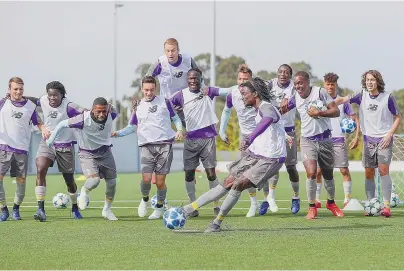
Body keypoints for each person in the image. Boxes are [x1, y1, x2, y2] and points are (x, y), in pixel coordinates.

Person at [182, 77, 286, 232]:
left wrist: (250, 137)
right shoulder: (257, 109)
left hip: (271, 159)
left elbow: (268, 119)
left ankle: (217, 223)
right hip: (255, 154)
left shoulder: (267, 107)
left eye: (245, 94)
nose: (242, 97)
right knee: (228, 181)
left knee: (238, 184)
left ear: (255, 94)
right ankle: (188, 208)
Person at [112, 76, 184, 219]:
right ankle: (144, 199)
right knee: (146, 179)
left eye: (151, 90)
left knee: (160, 182)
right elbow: (132, 127)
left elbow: (175, 118)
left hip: (165, 145)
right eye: (146, 90)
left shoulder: (164, 101)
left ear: (155, 89)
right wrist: (117, 133)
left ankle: (159, 208)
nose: (149, 93)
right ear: (142, 89)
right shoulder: (138, 105)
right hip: (146, 146)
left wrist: (180, 129)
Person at [335, 70, 401, 217]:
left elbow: (398, 117)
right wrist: (329, 103)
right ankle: (371, 204)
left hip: (384, 140)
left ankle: (386, 206)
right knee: (369, 173)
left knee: (384, 171)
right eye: (367, 80)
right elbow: (343, 100)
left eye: (372, 80)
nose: (369, 82)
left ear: (378, 81)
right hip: (368, 140)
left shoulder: (387, 97)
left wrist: (389, 134)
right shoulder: (361, 95)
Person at [46, 97, 119, 221]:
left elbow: (114, 111)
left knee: (112, 183)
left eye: (104, 111)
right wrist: (50, 140)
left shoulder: (111, 113)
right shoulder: (83, 119)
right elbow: (62, 124)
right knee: (94, 180)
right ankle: (84, 191)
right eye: (98, 111)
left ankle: (107, 210)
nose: (101, 114)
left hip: (105, 151)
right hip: (87, 153)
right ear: (92, 110)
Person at [24, 81, 86, 222]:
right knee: (40, 168)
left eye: (55, 95)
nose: (52, 98)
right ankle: (41, 209)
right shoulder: (44, 100)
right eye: (50, 95)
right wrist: (17, 96)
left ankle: (75, 207)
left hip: (65, 146)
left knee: (69, 180)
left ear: (62, 96)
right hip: (47, 142)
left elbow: (86, 113)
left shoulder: (69, 106)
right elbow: (32, 100)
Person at [169, 68, 228, 217]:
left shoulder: (208, 91)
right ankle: (192, 206)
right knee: (189, 174)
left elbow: (227, 91)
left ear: (201, 79)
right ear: (187, 80)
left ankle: (216, 205)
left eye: (196, 78)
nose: (193, 80)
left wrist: (242, 87)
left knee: (210, 174)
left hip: (208, 138)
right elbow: (165, 106)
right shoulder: (180, 95)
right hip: (190, 140)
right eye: (190, 78)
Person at [286, 71, 344, 219]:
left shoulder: (320, 92)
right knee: (311, 172)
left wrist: (320, 112)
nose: (298, 86)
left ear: (308, 82)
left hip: (325, 139)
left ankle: (331, 203)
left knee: (328, 174)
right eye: (296, 83)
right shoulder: (295, 98)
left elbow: (336, 111)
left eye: (301, 83)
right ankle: (312, 207)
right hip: (307, 140)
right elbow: (281, 112)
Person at [219, 64, 267, 217]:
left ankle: (268, 198)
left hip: (263, 135)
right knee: (245, 172)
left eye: (245, 79)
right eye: (239, 79)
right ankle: (254, 203)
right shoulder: (232, 94)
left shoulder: (257, 94)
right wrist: (221, 130)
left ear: (251, 80)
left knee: (266, 171)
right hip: (246, 138)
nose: (241, 82)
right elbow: (226, 111)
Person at [0, 77, 46, 221]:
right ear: (9, 89)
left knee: (21, 181)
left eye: (21, 89)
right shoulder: (2, 103)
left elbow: (38, 122)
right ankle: (4, 209)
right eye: (15, 89)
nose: (18, 92)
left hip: (21, 150)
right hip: (3, 147)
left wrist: (43, 128)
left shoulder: (30, 106)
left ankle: (15, 209)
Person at [315, 73, 359, 208]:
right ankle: (317, 199)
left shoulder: (343, 102)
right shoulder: (319, 101)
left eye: (332, 84)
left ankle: (347, 199)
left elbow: (354, 118)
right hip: (323, 139)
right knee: (318, 171)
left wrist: (356, 136)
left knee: (344, 170)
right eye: (327, 84)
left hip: (339, 140)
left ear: (336, 85)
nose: (330, 87)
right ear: (324, 84)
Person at [265, 64, 301, 215]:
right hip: (272, 131)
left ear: (290, 75)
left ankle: (296, 197)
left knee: (290, 167)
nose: (283, 74)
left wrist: (288, 99)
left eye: (286, 72)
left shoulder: (294, 87)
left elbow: (295, 99)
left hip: (288, 130)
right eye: (280, 71)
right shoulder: (270, 84)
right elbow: (258, 91)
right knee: (271, 165)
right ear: (277, 73)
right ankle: (269, 199)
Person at [147, 37, 200, 127]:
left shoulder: (188, 60)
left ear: (178, 50)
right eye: (167, 51)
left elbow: (199, 77)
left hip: (184, 103)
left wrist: (201, 93)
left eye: (173, 50)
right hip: (167, 103)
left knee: (194, 128)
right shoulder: (160, 63)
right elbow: (147, 80)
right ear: (164, 51)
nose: (170, 54)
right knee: (158, 128)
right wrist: (149, 99)